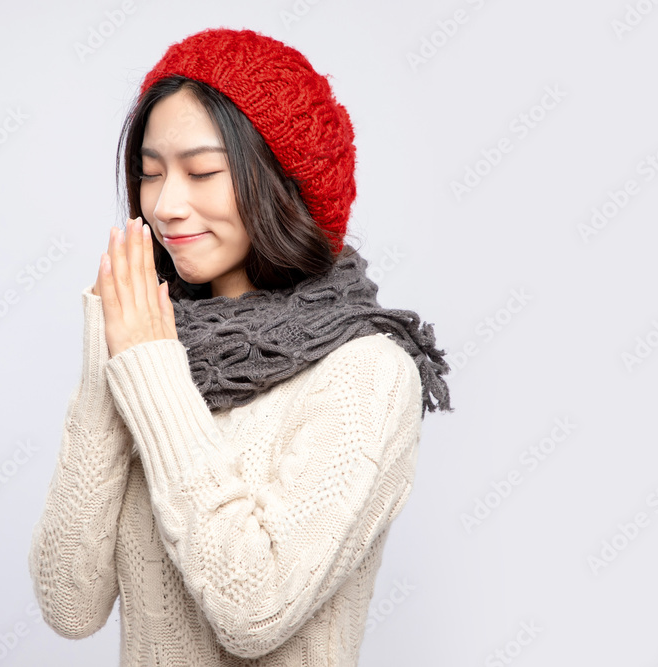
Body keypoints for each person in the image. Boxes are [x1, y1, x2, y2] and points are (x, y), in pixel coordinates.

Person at [28, 27, 453, 666]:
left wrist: (149, 369)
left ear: (280, 180)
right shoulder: (153, 352)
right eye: (149, 174)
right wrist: (108, 364)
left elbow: (254, 610)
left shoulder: (367, 372)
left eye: (201, 172)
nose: (166, 205)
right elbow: (69, 605)